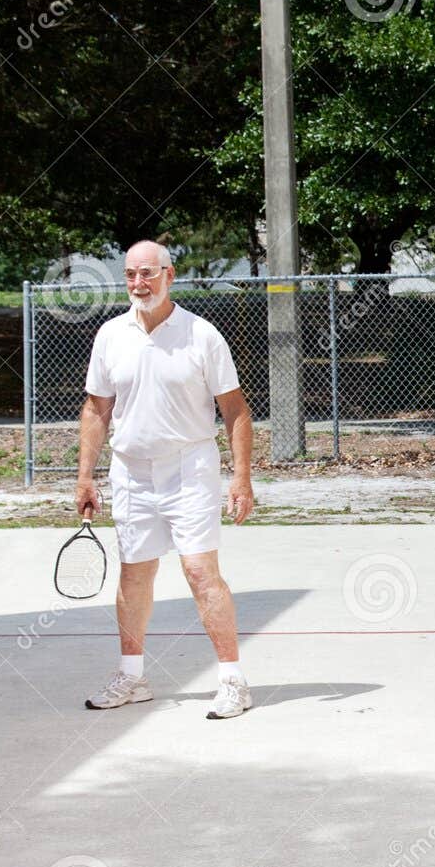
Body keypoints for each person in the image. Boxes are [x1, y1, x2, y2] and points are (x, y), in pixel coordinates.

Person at [75, 240, 256, 720]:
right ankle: (132, 677)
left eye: (148, 274)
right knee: (135, 574)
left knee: (199, 571)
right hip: (130, 472)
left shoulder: (202, 335)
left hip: (190, 470)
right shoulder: (110, 335)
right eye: (131, 274)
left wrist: (241, 478)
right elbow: (96, 409)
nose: (139, 283)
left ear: (169, 275)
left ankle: (233, 681)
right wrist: (84, 477)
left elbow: (235, 410)